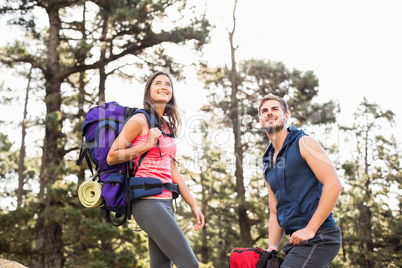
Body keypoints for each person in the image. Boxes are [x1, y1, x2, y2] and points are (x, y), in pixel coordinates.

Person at [107, 71, 204, 268]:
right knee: (190, 264)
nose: (163, 87)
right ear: (149, 92)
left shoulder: (165, 127)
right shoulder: (139, 120)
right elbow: (112, 156)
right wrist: (144, 145)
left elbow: (173, 171)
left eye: (168, 84)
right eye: (157, 83)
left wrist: (193, 205)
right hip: (147, 202)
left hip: (167, 201)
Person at [258, 94, 343, 267]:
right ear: (260, 119)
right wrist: (272, 246)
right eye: (264, 111)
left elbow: (334, 185)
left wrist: (310, 229)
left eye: (275, 109)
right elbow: (274, 211)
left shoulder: (304, 142)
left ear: (286, 115)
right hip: (298, 241)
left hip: (321, 236)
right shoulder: (267, 162)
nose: (269, 113)